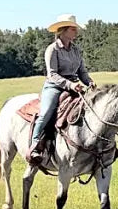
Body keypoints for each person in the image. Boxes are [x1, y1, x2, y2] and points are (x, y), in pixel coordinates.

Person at [27, 14, 96, 164]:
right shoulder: (52, 49)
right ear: (63, 30)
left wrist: (89, 81)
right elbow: (52, 74)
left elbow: (82, 71)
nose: (76, 32)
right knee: (45, 113)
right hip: (54, 87)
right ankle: (36, 144)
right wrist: (71, 85)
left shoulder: (76, 50)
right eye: (73, 29)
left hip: (74, 86)